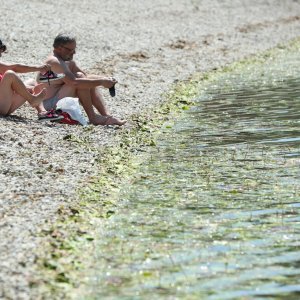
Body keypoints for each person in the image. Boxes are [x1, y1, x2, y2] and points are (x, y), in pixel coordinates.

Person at [35, 33, 126, 126]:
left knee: (86, 80)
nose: (73, 52)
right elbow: (74, 82)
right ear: (59, 48)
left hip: (59, 97)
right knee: (81, 79)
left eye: (74, 49)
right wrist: (102, 82)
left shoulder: (67, 61)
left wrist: (105, 79)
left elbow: (86, 77)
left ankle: (107, 116)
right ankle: (93, 117)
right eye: (70, 50)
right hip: (47, 105)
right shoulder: (55, 62)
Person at [0, 38, 62, 121]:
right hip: (2, 106)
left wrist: (31, 89)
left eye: (2, 49)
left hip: (5, 104)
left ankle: (42, 112)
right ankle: (32, 99)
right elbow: (14, 67)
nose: (1, 52)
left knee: (31, 82)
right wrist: (39, 68)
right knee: (10, 74)